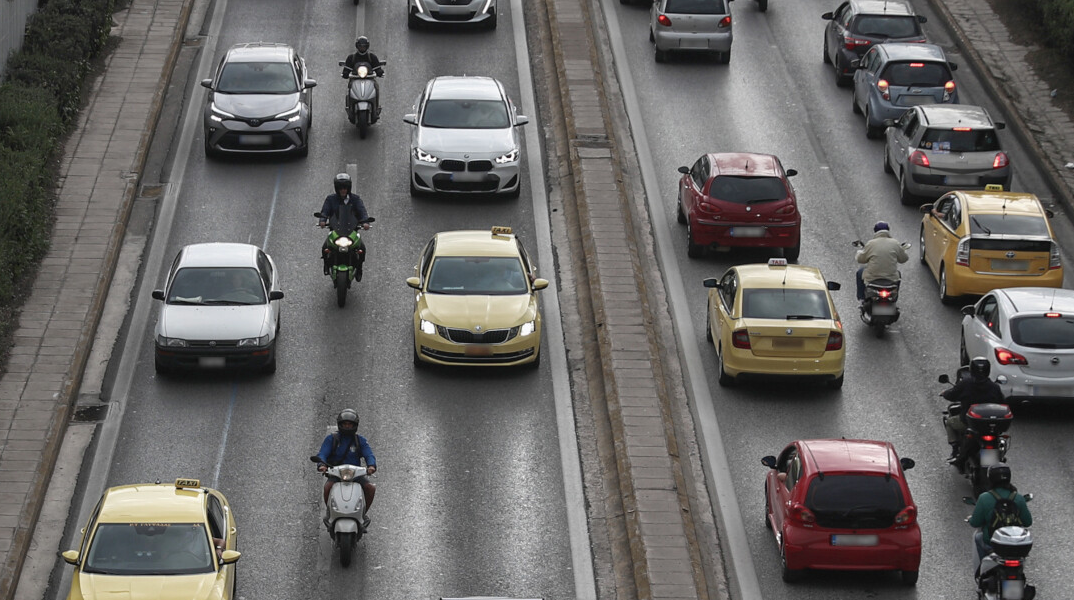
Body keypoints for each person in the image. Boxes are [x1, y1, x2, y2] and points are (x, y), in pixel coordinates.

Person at [314, 408, 377, 530]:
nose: (347, 427)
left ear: (355, 425)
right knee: (327, 487)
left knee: (370, 488)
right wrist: (322, 465)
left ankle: (362, 515)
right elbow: (322, 453)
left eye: (350, 424)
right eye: (345, 424)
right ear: (340, 425)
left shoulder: (360, 440)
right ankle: (330, 513)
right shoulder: (331, 439)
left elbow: (369, 454)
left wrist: (371, 466)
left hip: (356, 475)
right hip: (336, 474)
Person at [943, 356, 1006, 467]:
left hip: (968, 423)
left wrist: (945, 393)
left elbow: (952, 395)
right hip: (989, 425)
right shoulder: (994, 387)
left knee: (949, 422)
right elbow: (1002, 402)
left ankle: (955, 450)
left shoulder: (966, 384)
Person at [968, 465, 1031, 562]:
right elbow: (1028, 522)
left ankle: (981, 569)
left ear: (990, 479)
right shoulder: (1018, 498)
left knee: (978, 537)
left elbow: (975, 523)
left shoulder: (984, 498)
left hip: (992, 544)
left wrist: (970, 519)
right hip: (1016, 545)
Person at [319, 173, 370, 280]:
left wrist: (365, 222)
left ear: (348, 188)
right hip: (336, 230)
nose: (343, 190)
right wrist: (322, 220)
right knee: (325, 248)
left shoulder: (355, 199)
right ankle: (326, 265)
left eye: (345, 188)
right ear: (337, 188)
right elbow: (325, 211)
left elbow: (362, 211)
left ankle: (359, 268)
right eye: (340, 188)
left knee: (362, 249)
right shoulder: (330, 199)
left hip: (351, 230)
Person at [855, 221, 909, 302]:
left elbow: (861, 259)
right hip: (891, 279)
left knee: (859, 273)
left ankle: (862, 297)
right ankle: (895, 296)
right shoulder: (895, 243)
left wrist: (859, 252)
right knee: (899, 275)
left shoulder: (871, 244)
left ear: (875, 231)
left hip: (872, 278)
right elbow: (904, 259)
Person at [342, 36, 384, 122]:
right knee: (349, 89)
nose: (362, 48)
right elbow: (346, 69)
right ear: (357, 46)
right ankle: (350, 107)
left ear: (367, 46)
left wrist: (380, 72)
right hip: (355, 79)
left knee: (376, 87)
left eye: (364, 46)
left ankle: (376, 108)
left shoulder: (372, 57)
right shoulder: (351, 58)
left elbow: (377, 68)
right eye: (360, 46)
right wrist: (345, 73)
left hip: (369, 79)